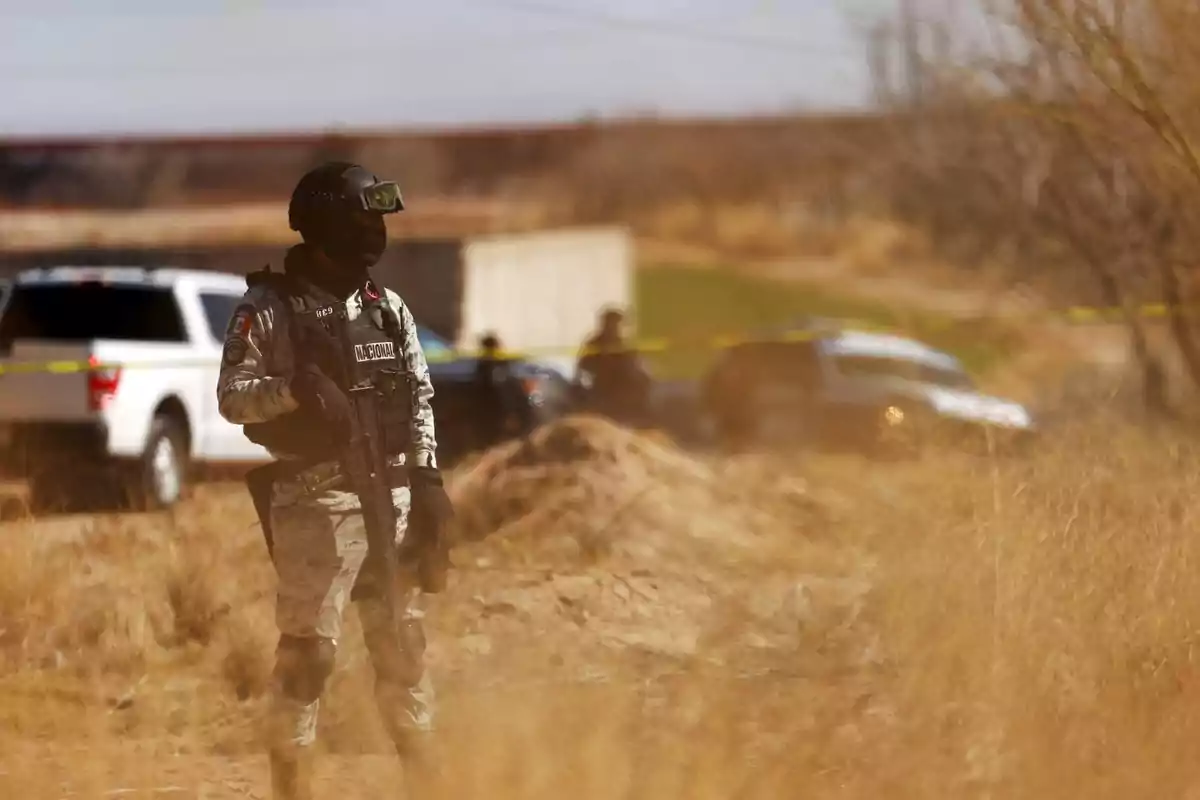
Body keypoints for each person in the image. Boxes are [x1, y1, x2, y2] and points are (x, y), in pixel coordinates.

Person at [215, 161, 454, 800]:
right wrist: (293, 391)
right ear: (323, 224)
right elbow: (232, 398)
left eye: (378, 219)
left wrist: (428, 480)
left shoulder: (388, 308)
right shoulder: (267, 308)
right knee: (308, 658)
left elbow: (421, 397)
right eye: (362, 218)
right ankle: (291, 787)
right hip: (316, 503)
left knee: (402, 650)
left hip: (394, 498)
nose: (375, 232)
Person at [575, 307, 653, 426]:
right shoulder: (595, 343)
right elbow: (583, 366)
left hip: (625, 385)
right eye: (612, 323)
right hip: (603, 387)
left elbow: (636, 364)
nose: (615, 327)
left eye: (618, 324)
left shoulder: (624, 344)